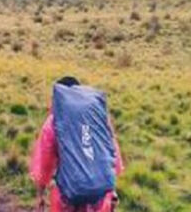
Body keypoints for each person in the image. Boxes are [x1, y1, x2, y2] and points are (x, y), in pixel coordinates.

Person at [30, 77, 124, 212]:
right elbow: (111, 152)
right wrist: (112, 190)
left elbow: (44, 162)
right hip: (99, 198)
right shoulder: (98, 117)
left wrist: (40, 194)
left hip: (67, 199)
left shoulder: (54, 122)